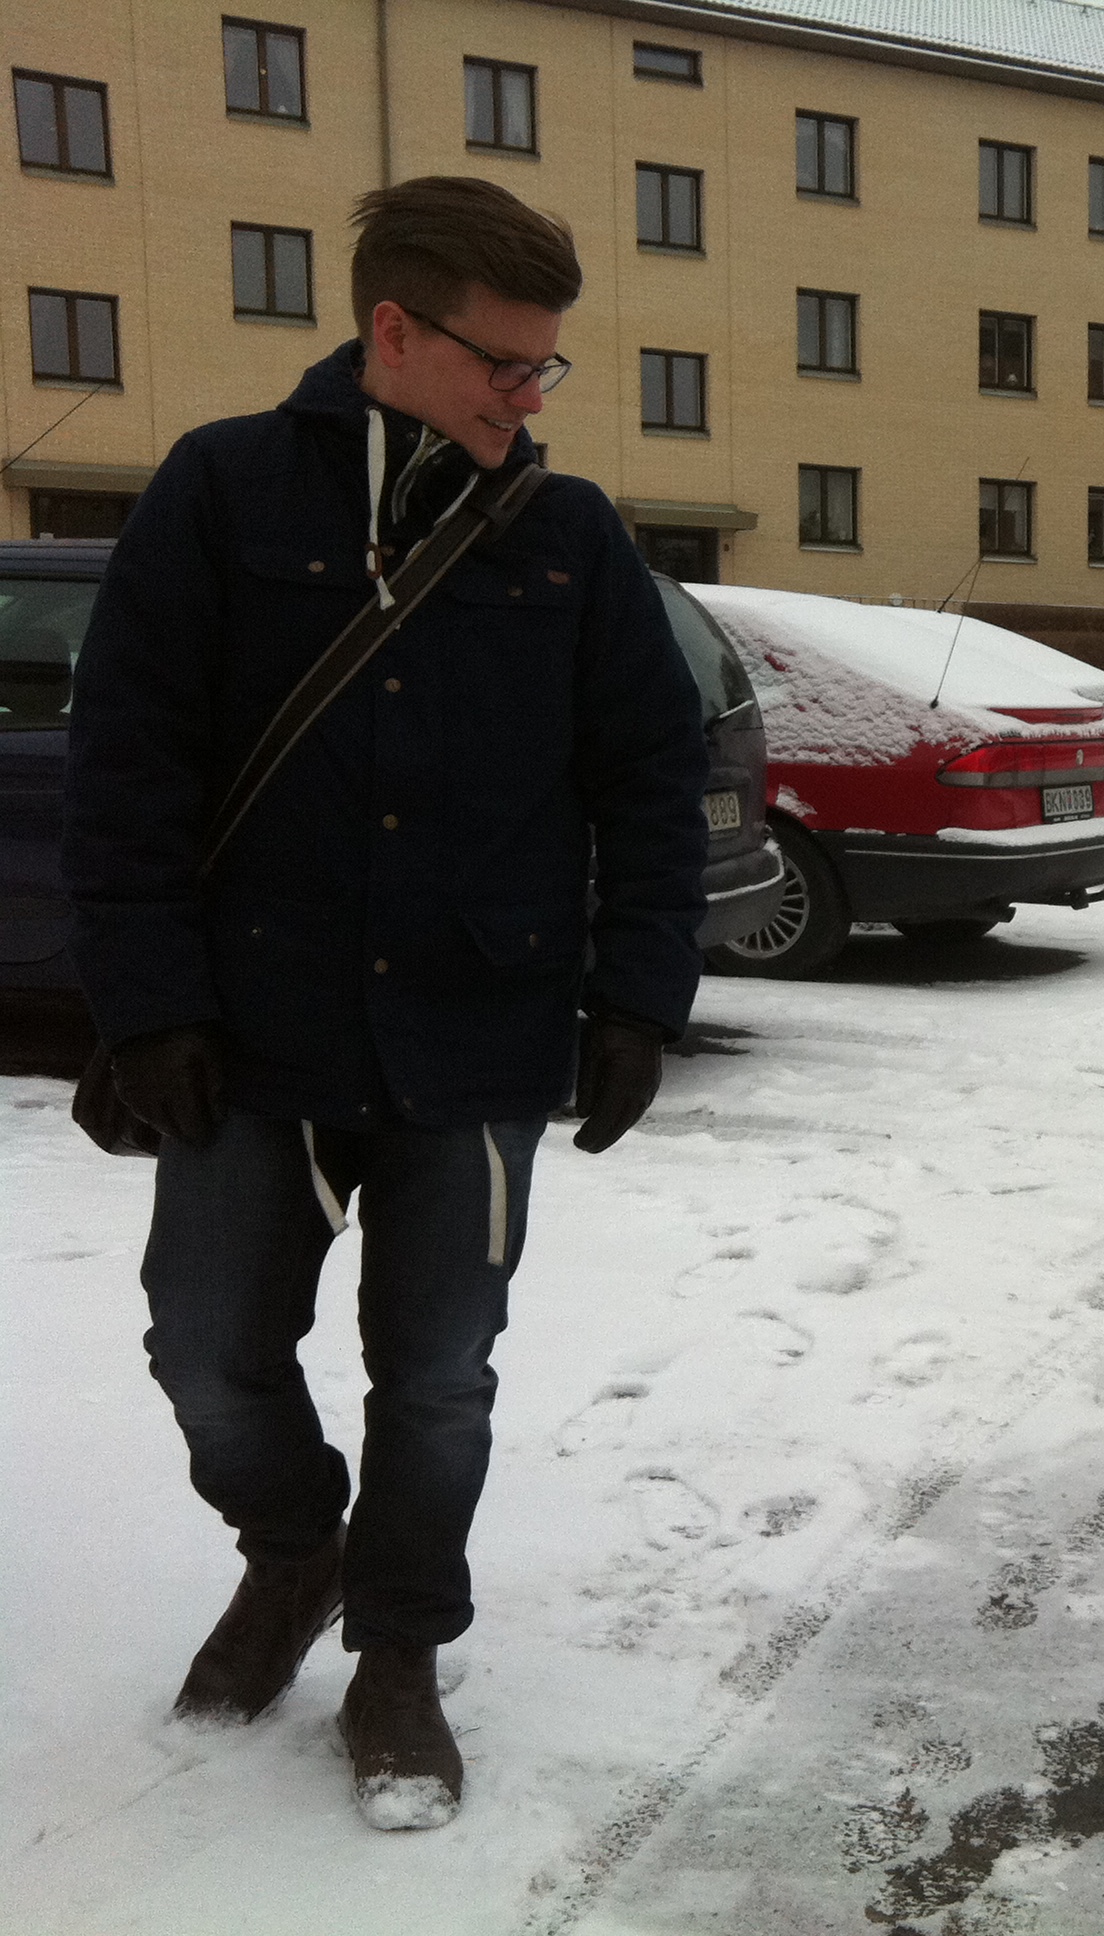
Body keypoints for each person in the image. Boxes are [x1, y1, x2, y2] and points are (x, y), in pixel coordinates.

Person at [61, 177, 709, 1828]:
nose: (530, 397)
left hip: (479, 1030)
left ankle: (400, 1651)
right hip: (254, 1025)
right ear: (395, 330)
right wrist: (149, 1001)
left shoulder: (567, 537)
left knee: (438, 1375)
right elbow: (128, 763)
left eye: (547, 367)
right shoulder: (222, 489)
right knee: (208, 1352)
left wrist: (638, 995)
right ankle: (298, 1550)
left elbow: (650, 775)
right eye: (505, 363)